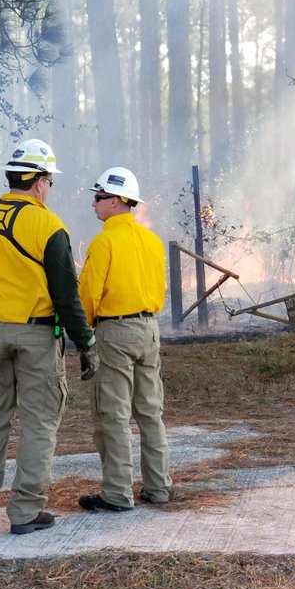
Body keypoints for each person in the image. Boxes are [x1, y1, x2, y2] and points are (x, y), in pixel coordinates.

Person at [0, 139, 99, 535]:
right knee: (39, 421)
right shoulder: (49, 226)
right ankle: (24, 511)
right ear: (39, 182)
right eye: (50, 181)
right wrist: (86, 343)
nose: (49, 188)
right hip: (36, 335)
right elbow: (67, 296)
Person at [77, 166, 172, 512]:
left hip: (115, 331)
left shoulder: (104, 242)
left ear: (116, 201)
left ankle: (117, 493)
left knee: (113, 413)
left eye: (99, 197)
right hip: (149, 329)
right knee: (150, 411)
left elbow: (88, 292)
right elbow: (158, 289)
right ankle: (158, 488)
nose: (94, 204)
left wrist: (83, 330)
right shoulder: (151, 240)